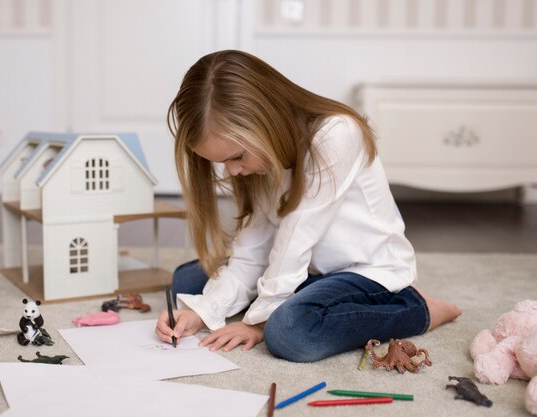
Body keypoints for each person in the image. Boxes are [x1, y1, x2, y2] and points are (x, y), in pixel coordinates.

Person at [156, 50, 461, 362]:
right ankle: (292, 304)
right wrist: (202, 311)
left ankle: (416, 308)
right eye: (223, 162)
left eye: (236, 157)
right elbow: (253, 253)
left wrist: (260, 322)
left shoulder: (337, 134)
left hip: (367, 271)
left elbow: (296, 238)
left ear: (265, 123)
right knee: (188, 280)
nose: (233, 171)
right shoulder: (258, 164)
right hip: (309, 271)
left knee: (288, 332)